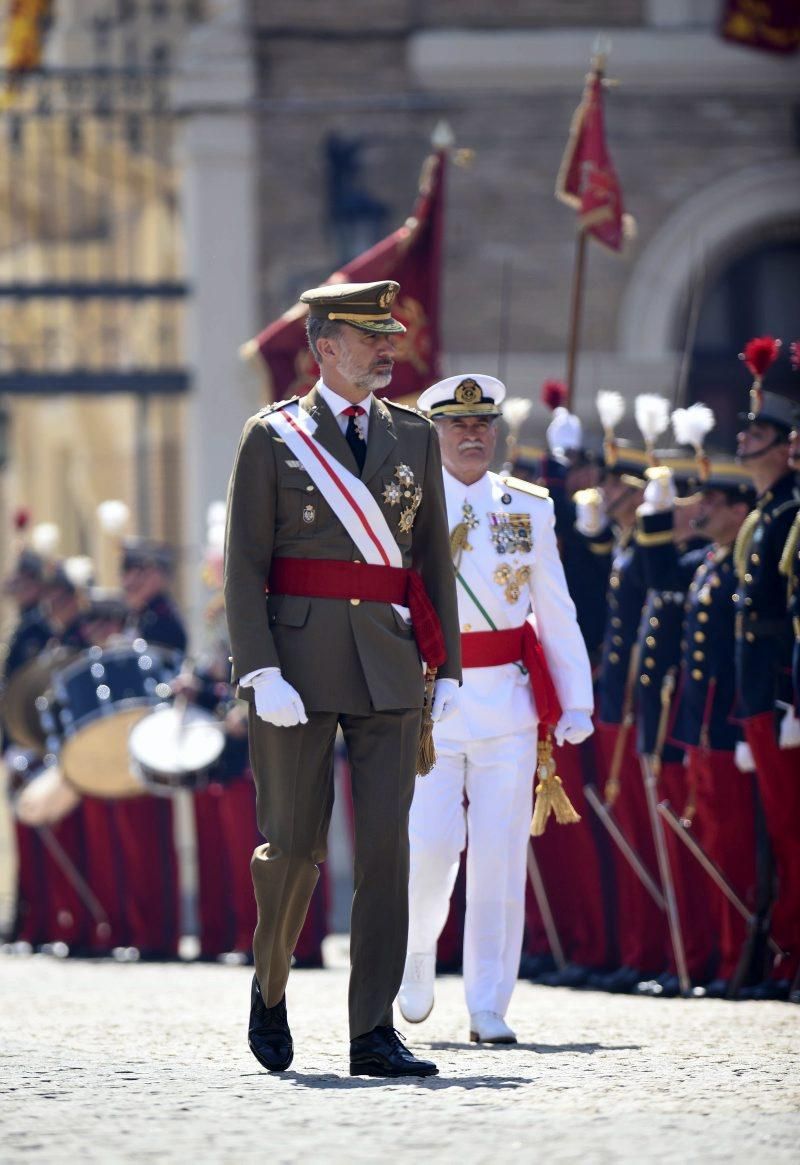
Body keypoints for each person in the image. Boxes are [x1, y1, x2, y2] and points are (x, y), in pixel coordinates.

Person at [224, 279, 461, 1077]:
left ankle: (372, 1031)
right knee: (293, 845)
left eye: (389, 335)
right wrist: (259, 668)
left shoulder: (415, 436)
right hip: (295, 665)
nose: (388, 348)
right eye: (370, 337)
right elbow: (245, 568)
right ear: (326, 347)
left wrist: (448, 665)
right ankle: (269, 982)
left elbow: (430, 558)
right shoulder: (273, 437)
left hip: (389, 663)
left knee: (388, 850)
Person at [397, 373, 593, 1042]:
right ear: (435, 432)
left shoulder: (529, 507)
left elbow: (554, 607)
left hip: (507, 703)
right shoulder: (408, 504)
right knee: (429, 846)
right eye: (457, 424)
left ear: (499, 433)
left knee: (500, 858)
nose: (472, 435)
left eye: (483, 426)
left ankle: (488, 1002)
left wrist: (576, 696)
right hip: (430, 704)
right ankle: (418, 950)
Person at [734, 386, 800, 996]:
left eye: (758, 435)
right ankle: (780, 953)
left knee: (792, 833)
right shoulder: (770, 513)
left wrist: (787, 698)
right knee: (778, 834)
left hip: (780, 691)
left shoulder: (788, 511)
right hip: (759, 693)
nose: (745, 443)